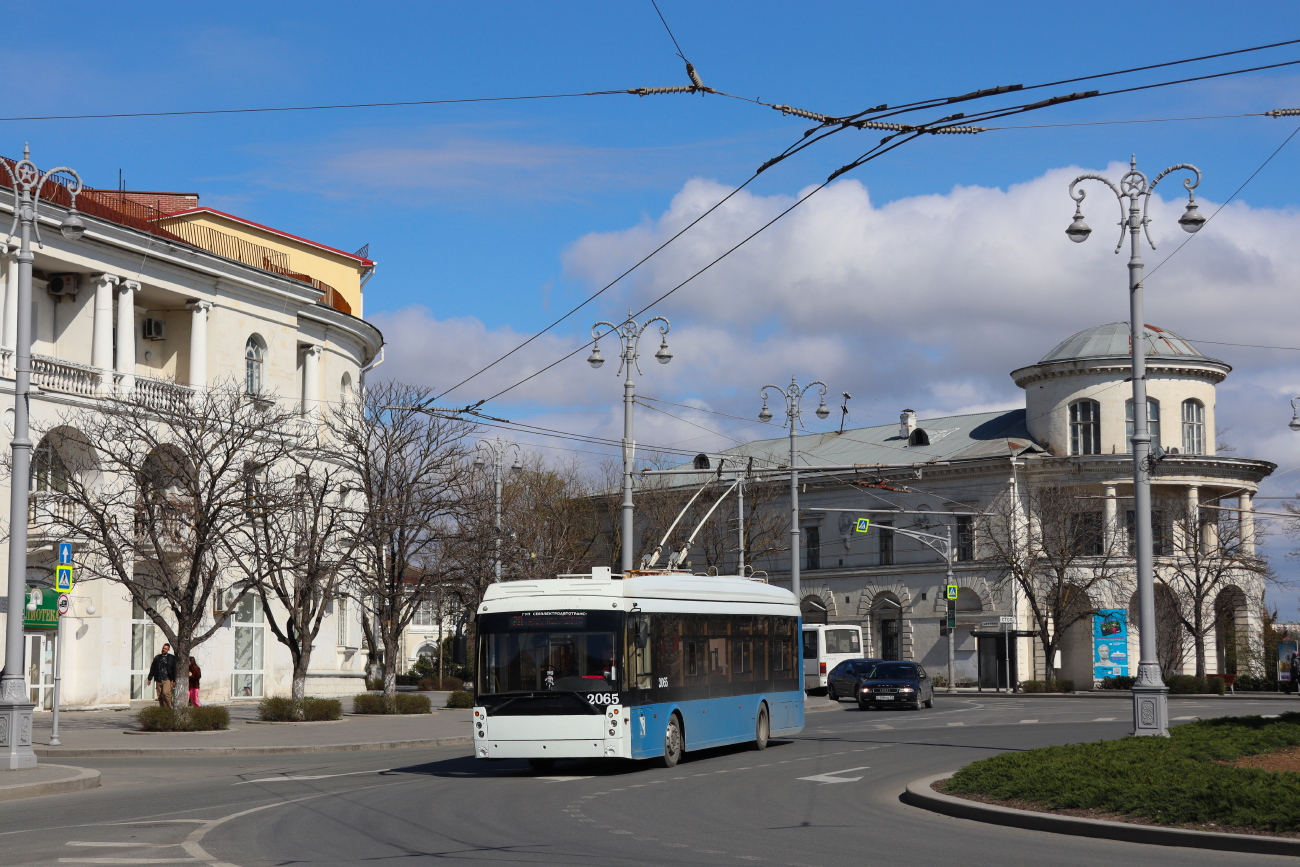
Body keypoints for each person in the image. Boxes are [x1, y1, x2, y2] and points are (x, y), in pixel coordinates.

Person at [147, 643, 177, 709]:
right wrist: (149, 678)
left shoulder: (171, 658)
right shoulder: (157, 658)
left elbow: (174, 669)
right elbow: (153, 668)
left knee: (165, 693)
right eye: (163, 648)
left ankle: (169, 709)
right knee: (160, 696)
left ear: (168, 650)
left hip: (167, 679)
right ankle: (162, 709)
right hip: (158, 679)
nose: (163, 650)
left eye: (165, 649)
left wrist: (174, 680)